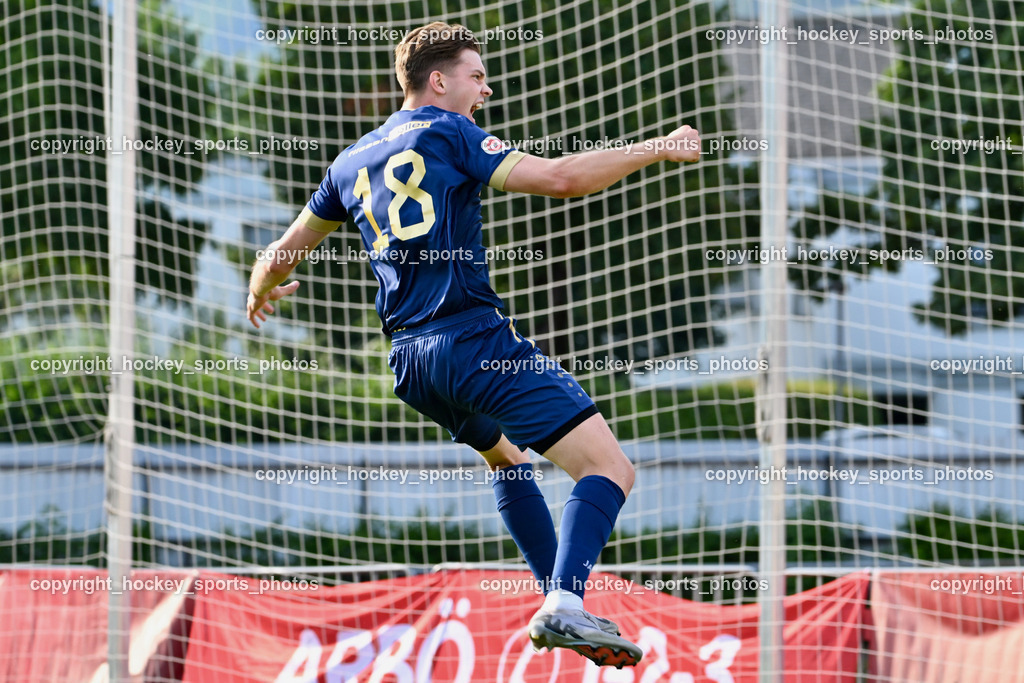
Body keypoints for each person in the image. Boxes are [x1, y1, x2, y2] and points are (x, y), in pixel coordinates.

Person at [246, 21, 700, 669]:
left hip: (411, 363)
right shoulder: (449, 132)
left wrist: (261, 288)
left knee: (508, 459)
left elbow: (283, 251)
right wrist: (657, 146)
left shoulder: (349, 162)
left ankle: (560, 602)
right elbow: (561, 178)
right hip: (471, 341)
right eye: (476, 76)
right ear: (438, 81)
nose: (485, 89)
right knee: (609, 469)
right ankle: (565, 601)